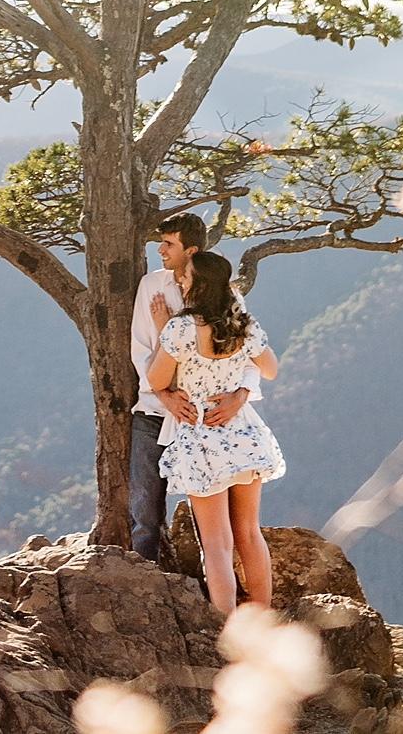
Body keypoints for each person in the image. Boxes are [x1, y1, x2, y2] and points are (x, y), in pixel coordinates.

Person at [147, 249, 284, 614]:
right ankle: (262, 617)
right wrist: (239, 390)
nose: (181, 280)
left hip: (202, 436)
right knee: (250, 534)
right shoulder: (242, 323)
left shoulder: (181, 328)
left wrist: (164, 332)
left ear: (199, 284)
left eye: (187, 276)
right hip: (242, 433)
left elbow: (157, 379)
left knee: (217, 545)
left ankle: (226, 630)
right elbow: (270, 369)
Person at [128, 214, 261, 563]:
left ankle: (219, 594)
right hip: (156, 413)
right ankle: (146, 588)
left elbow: (249, 357)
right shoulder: (151, 287)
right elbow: (141, 351)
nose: (160, 249)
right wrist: (164, 396)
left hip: (210, 421)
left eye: (168, 243)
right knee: (145, 515)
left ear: (192, 250)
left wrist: (241, 396)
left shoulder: (227, 296)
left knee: (218, 523)